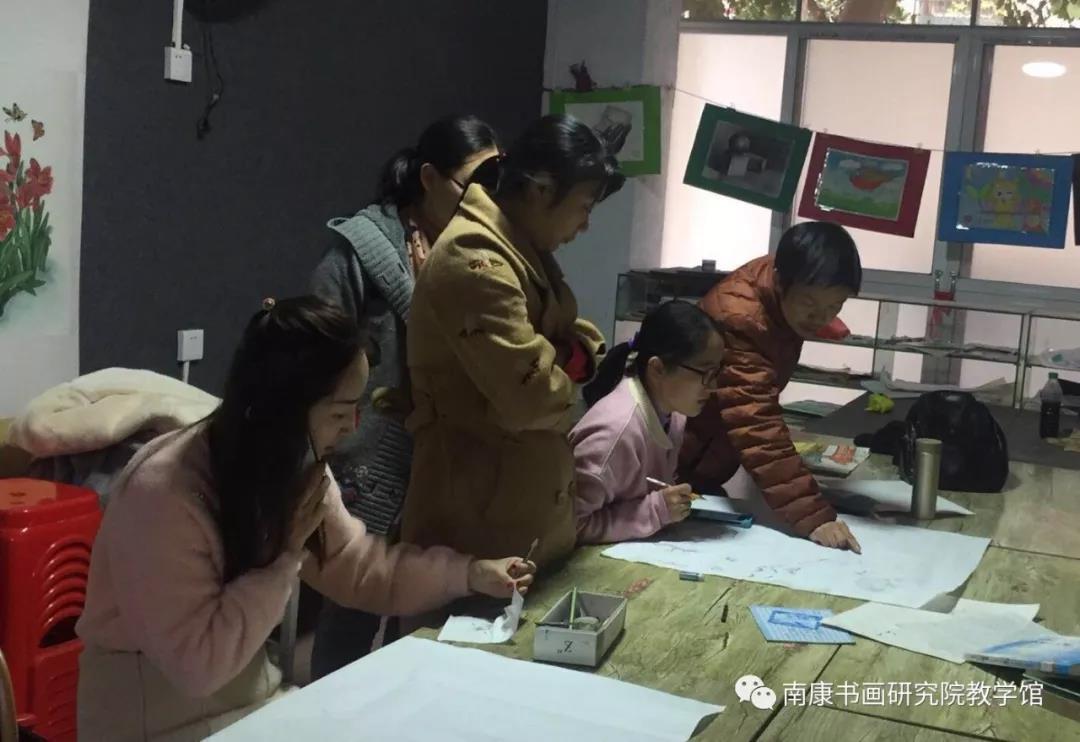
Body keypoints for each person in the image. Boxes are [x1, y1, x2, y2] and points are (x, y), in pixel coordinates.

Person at [75, 297, 534, 742]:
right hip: (152, 721)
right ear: (286, 408)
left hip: (247, 700)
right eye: (340, 412)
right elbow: (198, 666)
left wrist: (469, 574)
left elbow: (360, 568)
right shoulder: (163, 493)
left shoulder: (293, 465)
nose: (352, 427)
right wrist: (285, 554)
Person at [308, 115, 499, 677]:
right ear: (429, 178)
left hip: (444, 455)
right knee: (354, 604)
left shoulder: (479, 248)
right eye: (472, 183)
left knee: (427, 602)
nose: (483, 199)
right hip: (368, 457)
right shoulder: (360, 253)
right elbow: (317, 359)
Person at [402, 114, 625, 571]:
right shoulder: (474, 257)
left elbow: (584, 339)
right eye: (584, 207)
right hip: (477, 530)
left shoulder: (520, 247)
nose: (585, 225)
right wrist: (566, 358)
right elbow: (532, 400)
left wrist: (560, 353)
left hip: (524, 516)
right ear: (541, 190)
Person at [678, 221, 863, 553]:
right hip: (675, 457)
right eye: (810, 304)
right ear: (780, 282)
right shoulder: (742, 319)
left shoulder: (787, 285)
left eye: (834, 306)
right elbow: (756, 422)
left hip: (706, 455)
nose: (821, 317)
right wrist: (813, 516)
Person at [571, 300, 725, 544]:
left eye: (717, 372)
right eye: (705, 373)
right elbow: (570, 526)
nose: (714, 386)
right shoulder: (614, 433)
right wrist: (655, 510)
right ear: (657, 368)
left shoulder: (674, 414)